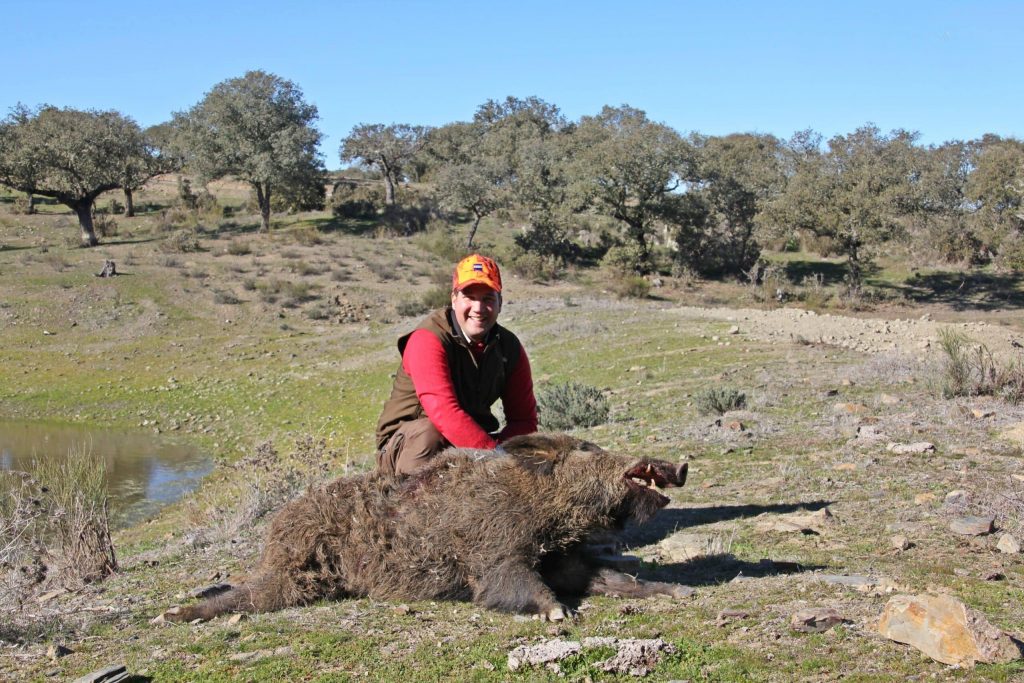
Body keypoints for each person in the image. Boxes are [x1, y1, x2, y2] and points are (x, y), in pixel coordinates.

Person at [376, 254, 538, 476]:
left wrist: (506, 450)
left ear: (500, 302)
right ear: (454, 300)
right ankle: (405, 503)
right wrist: (495, 457)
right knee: (430, 432)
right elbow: (444, 412)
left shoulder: (509, 347)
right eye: (469, 297)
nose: (478, 308)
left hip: (467, 444)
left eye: (488, 299)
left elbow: (524, 421)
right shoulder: (428, 339)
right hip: (407, 447)